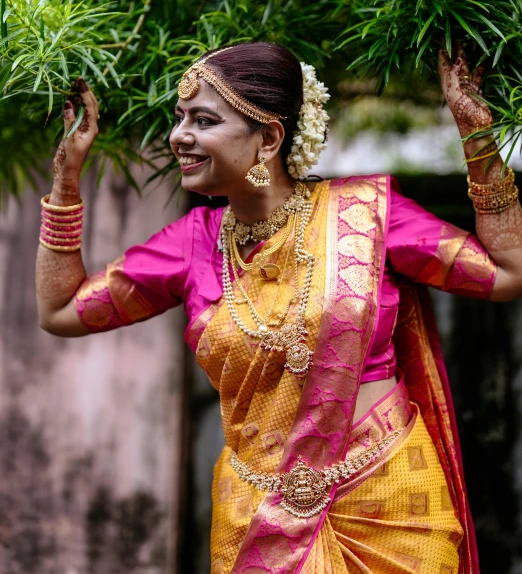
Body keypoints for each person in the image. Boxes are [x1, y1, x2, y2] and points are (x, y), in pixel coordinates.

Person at [36, 42, 522, 574]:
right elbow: (60, 311)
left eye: (202, 119)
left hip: (391, 503)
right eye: (180, 119)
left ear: (268, 137)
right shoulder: (192, 243)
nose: (179, 136)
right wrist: (64, 183)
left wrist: (477, 137)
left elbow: (506, 274)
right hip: (260, 520)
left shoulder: (366, 215)